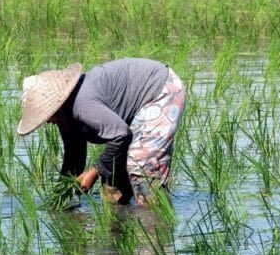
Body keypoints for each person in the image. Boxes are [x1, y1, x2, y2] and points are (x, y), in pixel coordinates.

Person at [16, 58, 186, 205]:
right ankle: (118, 228)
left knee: (141, 168)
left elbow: (121, 134)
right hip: (138, 108)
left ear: (57, 104)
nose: (47, 121)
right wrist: (63, 195)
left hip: (160, 90)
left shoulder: (83, 105)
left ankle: (155, 226)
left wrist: (95, 171)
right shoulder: (65, 115)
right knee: (111, 177)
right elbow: (74, 156)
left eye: (46, 114)